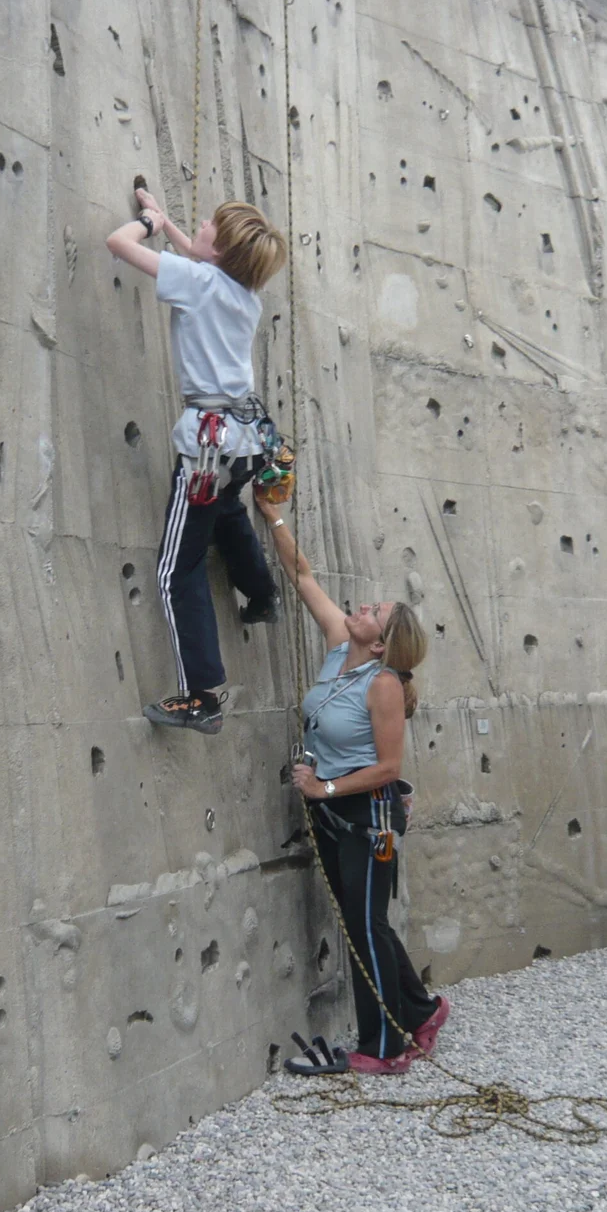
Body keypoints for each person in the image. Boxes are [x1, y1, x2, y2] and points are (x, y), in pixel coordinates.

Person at [262, 494, 447, 1074]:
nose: (361, 606)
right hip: (336, 810)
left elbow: (389, 768)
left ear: (381, 642)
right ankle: (421, 1009)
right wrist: (274, 515)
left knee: (364, 924)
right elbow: (302, 574)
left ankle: (387, 1048)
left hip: (369, 817)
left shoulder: (384, 684)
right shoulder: (340, 647)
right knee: (361, 918)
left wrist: (325, 790)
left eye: (374, 610)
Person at [105, 188, 289, 735]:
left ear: (219, 254)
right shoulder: (243, 293)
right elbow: (200, 262)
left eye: (210, 225)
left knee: (174, 569)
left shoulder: (202, 281)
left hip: (208, 449)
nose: (202, 223)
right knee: (228, 513)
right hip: (246, 443)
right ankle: (261, 594)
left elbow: (117, 244)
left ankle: (202, 695)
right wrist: (171, 226)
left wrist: (143, 221)